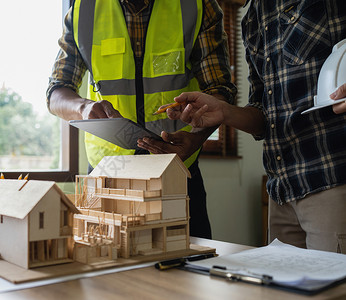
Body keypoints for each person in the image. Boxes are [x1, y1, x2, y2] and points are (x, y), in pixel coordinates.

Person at [142, 0, 346, 252]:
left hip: (332, 181)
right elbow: (264, 117)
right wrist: (224, 113)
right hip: (281, 191)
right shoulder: (252, 20)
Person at [47, 0, 237, 238]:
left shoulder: (197, 6)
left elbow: (220, 91)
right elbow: (56, 93)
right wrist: (84, 107)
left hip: (176, 174)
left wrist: (195, 138)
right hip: (105, 178)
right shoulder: (83, 10)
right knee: (103, 271)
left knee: (187, 269)